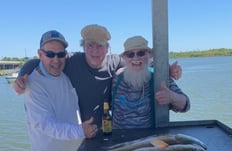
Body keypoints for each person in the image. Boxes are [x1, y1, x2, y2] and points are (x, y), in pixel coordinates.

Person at [14, 25, 182, 128]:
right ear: (83, 47)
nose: (95, 51)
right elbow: (40, 60)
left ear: (107, 48)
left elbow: (140, 63)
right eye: (90, 45)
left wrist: (165, 69)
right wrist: (22, 76)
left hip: (109, 131)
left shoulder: (116, 62)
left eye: (100, 46)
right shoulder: (70, 60)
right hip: (82, 132)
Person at [23, 30, 97, 151]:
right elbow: (45, 125)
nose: (56, 59)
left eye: (60, 54)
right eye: (50, 54)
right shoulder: (33, 84)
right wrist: (81, 131)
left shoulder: (63, 76)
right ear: (40, 54)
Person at [112, 36, 190, 128]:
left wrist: (172, 97)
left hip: (149, 139)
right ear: (125, 58)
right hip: (119, 139)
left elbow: (185, 105)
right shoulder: (117, 77)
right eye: (130, 54)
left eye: (141, 53)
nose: (136, 58)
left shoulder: (159, 78)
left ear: (148, 55)